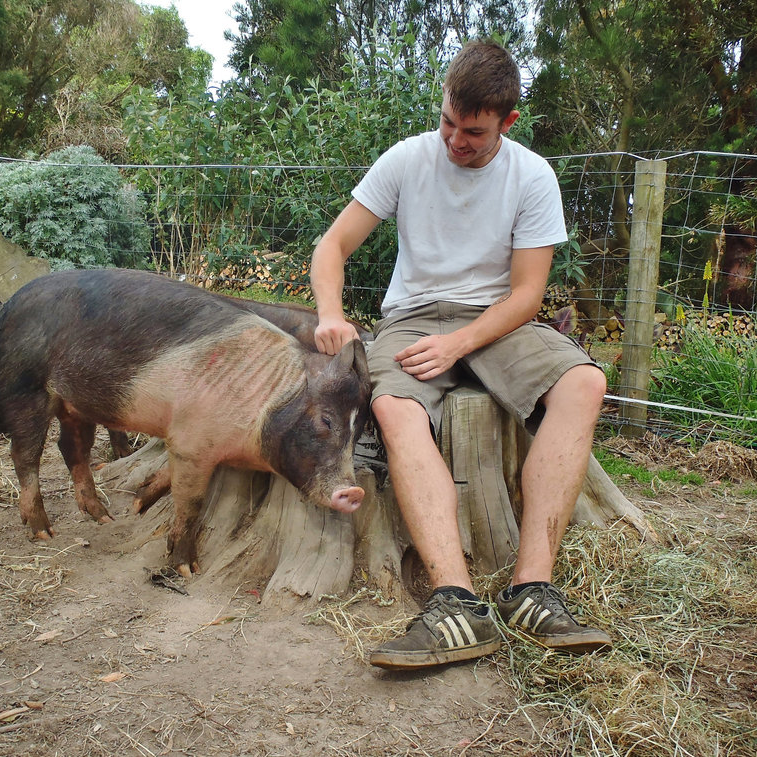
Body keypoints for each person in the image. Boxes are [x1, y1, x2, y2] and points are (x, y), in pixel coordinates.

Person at [310, 39, 612, 670]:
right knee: (395, 408)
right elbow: (332, 245)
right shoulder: (406, 160)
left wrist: (459, 343)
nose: (454, 141)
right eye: (448, 122)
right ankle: (455, 604)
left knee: (583, 383)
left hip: (496, 320)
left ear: (508, 122)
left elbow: (528, 294)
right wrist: (332, 316)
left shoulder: (533, 176)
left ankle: (532, 589)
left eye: (472, 132)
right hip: (412, 318)